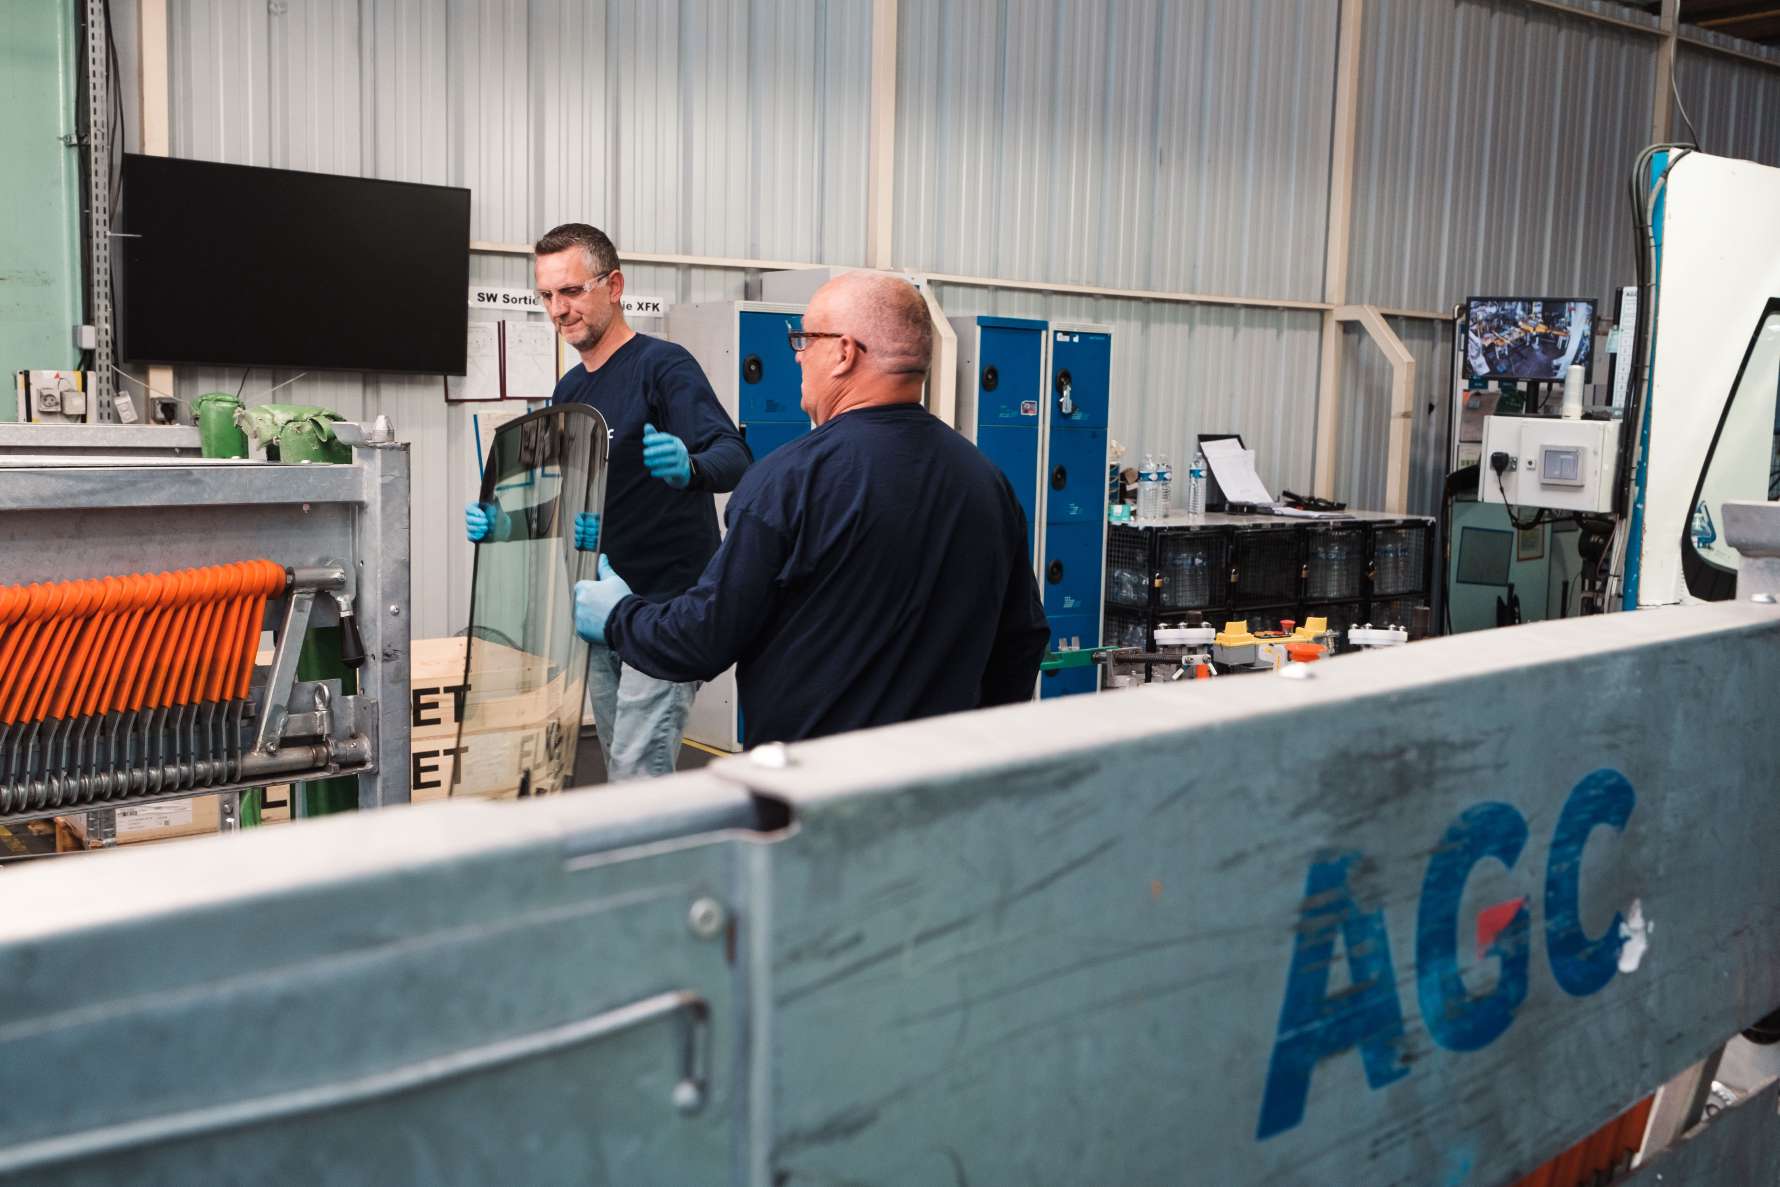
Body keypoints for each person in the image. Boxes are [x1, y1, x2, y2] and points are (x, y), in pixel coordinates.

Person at [570, 270, 1050, 747]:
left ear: (844, 352)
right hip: (943, 782)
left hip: (817, 787)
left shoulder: (790, 483)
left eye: (804, 338)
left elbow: (700, 641)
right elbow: (1023, 640)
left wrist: (617, 616)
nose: (798, 355)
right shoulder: (986, 481)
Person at [466, 223, 750, 779]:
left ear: (614, 285)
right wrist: (508, 525)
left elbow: (735, 456)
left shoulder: (662, 367)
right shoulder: (570, 392)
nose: (558, 310)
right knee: (624, 769)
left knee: (638, 770)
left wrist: (691, 468)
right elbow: (573, 501)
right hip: (600, 607)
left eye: (571, 291)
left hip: (665, 606)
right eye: (546, 295)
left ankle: (662, 864)